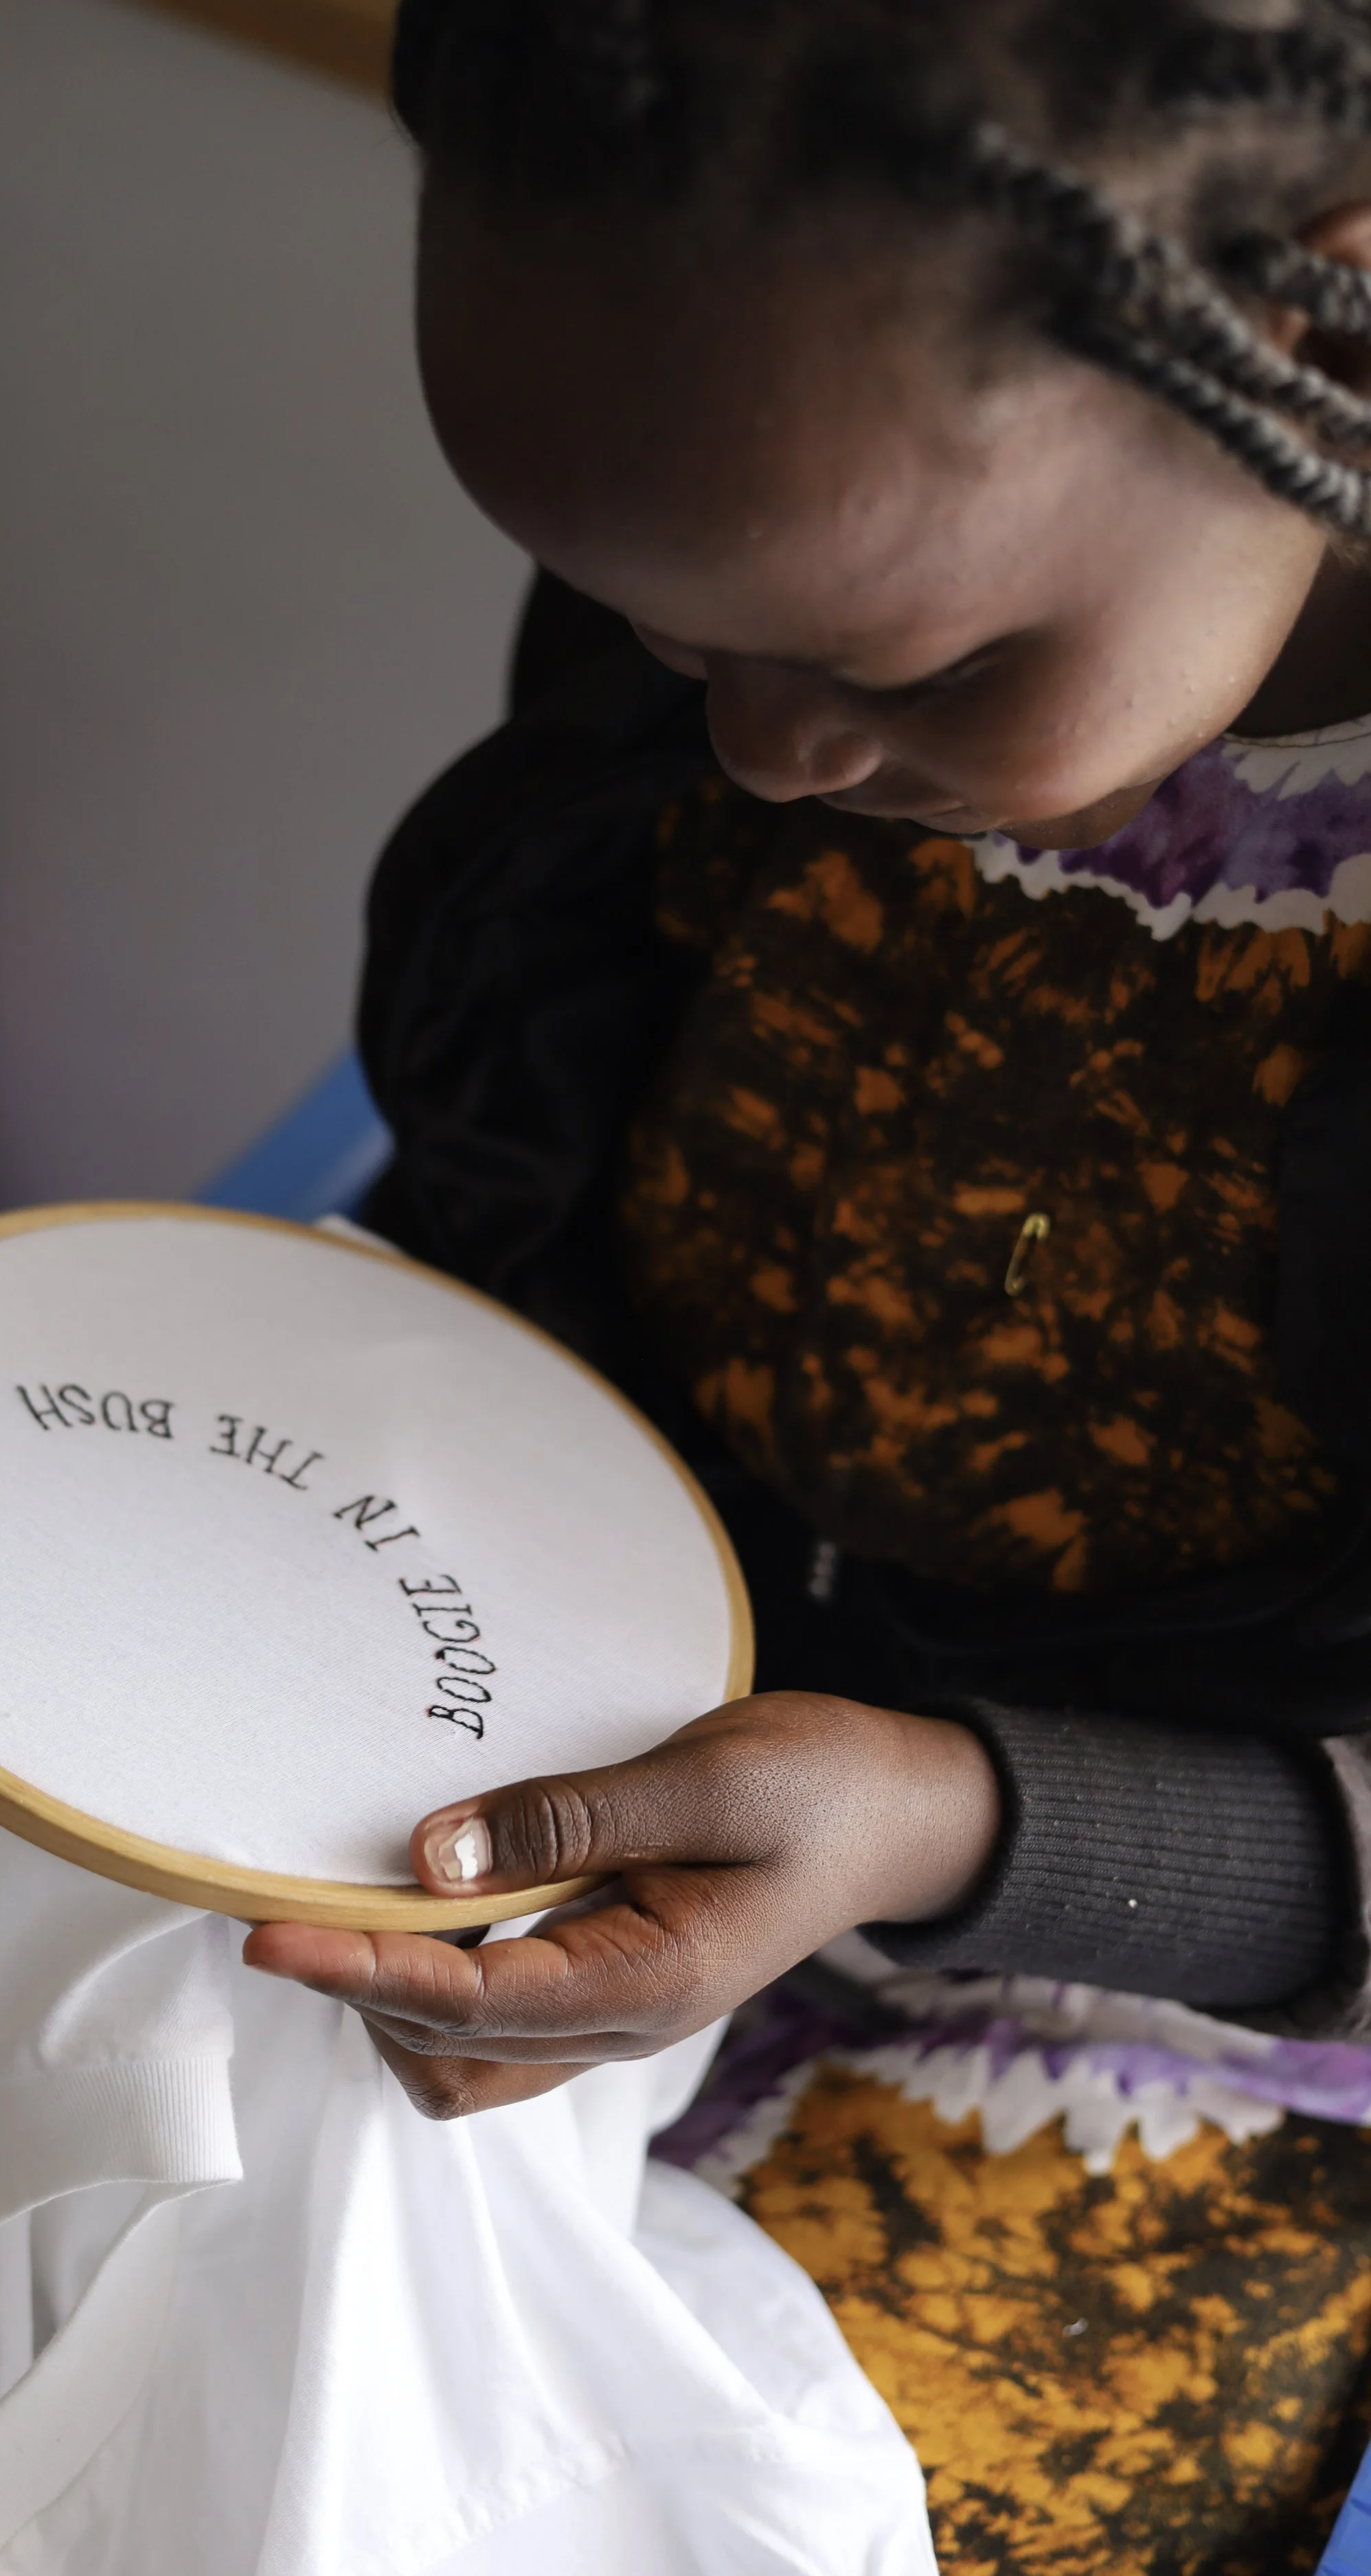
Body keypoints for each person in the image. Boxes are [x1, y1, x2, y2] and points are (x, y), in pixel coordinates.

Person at [244, 3, 1371, 2564]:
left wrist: (938, 1818)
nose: (754, 756)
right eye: (653, 633)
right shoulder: (778, 585)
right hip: (570, 1723)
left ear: (1320, 329)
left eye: (905, 671)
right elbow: (522, 1183)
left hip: (1185, 1985)